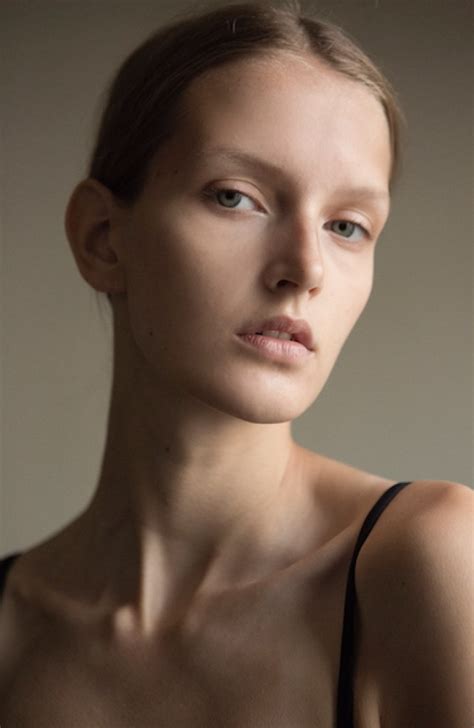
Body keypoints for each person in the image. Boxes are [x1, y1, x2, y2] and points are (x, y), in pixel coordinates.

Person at [0, 1, 472, 726]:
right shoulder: (12, 629)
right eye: (236, 197)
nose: (306, 269)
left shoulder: (427, 560)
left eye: (347, 226)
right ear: (101, 238)